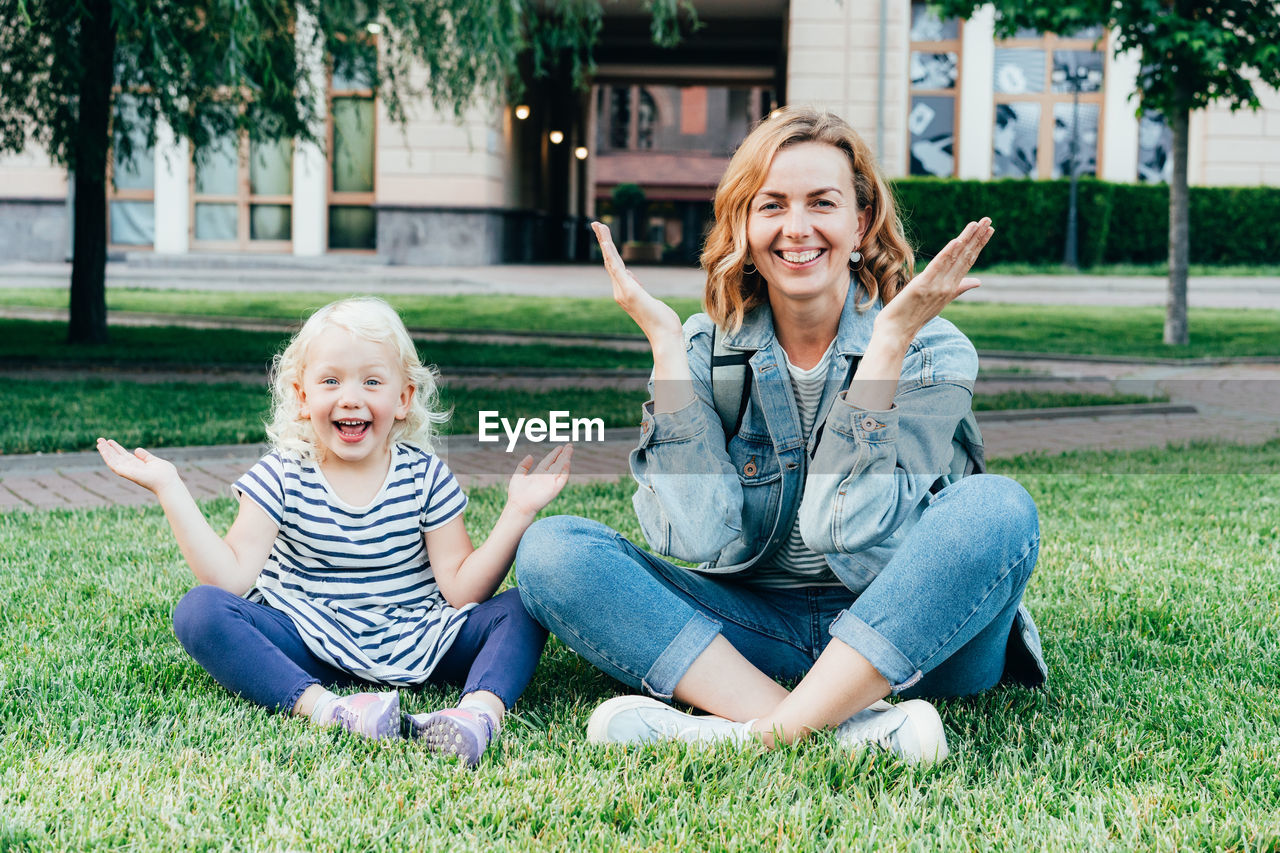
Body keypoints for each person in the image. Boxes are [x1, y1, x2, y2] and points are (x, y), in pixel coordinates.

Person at [515, 107, 1045, 765]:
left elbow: (843, 528)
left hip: (916, 634)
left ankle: (763, 732)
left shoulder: (930, 349)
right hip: (754, 630)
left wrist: (884, 350)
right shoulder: (705, 347)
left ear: (860, 223)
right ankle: (849, 728)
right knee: (552, 549)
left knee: (998, 509)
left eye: (822, 203)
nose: (796, 228)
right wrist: (666, 350)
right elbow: (700, 536)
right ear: (744, 225)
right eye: (772, 206)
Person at [97, 297, 571, 766]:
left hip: (422, 639)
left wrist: (517, 511)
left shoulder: (425, 476)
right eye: (330, 381)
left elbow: (462, 589)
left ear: (403, 398)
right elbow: (231, 580)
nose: (350, 396)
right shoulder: (281, 474)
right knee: (200, 609)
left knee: (525, 604)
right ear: (303, 398)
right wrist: (169, 487)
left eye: (371, 381)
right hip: (308, 642)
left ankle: (475, 715)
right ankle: (330, 709)